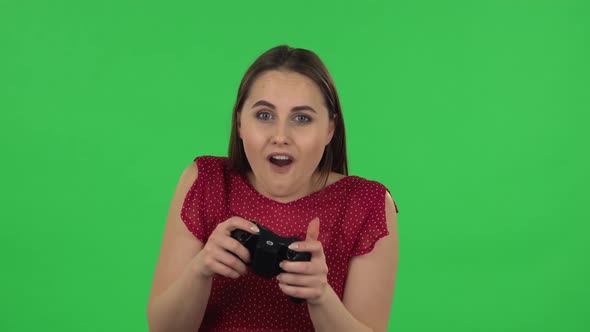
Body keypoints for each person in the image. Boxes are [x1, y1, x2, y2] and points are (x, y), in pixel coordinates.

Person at [147, 45, 399, 332]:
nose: (281, 136)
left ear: (330, 129)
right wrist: (200, 269)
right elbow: (162, 329)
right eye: (264, 115)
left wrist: (321, 296)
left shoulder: (368, 203)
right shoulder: (205, 181)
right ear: (240, 121)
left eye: (302, 118)